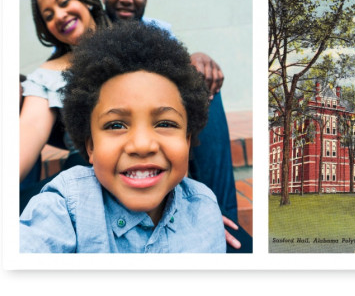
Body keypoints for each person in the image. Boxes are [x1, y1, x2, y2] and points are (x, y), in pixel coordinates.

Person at [20, 21, 226, 253]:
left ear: (187, 141)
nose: (141, 145)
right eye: (116, 124)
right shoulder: (66, 206)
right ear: (90, 146)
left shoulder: (204, 209)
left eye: (165, 123)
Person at [102, 0, 250, 251]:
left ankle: (223, 218)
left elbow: (181, 69)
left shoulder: (159, 32)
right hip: (119, 132)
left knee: (202, 84)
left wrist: (197, 59)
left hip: (162, 125)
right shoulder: (92, 33)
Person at [19, 0, 111, 185]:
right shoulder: (46, 76)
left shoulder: (135, 42)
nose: (59, 15)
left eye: (64, 2)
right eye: (49, 16)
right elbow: (29, 131)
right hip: (84, 180)